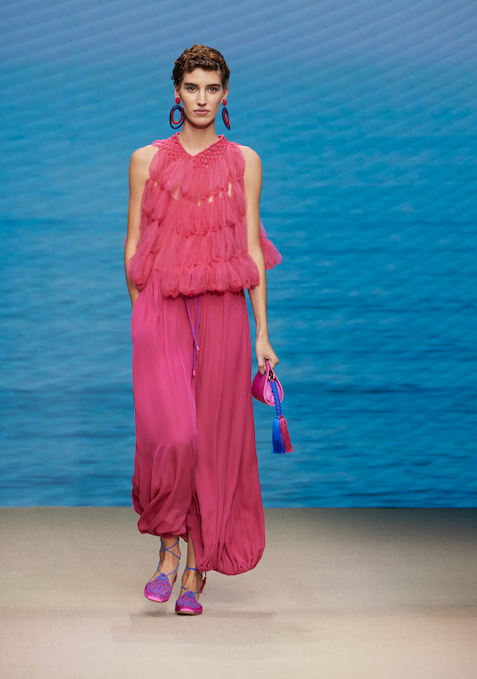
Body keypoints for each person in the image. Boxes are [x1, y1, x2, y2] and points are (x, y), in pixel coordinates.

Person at [124, 45, 282, 616]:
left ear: (225, 95)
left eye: (211, 89)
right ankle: (169, 546)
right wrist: (142, 315)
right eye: (192, 87)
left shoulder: (245, 162)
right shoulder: (146, 160)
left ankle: (195, 569)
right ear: (176, 92)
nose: (201, 99)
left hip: (223, 314)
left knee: (212, 443)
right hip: (161, 309)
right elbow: (134, 244)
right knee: (174, 435)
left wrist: (262, 334)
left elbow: (251, 251)